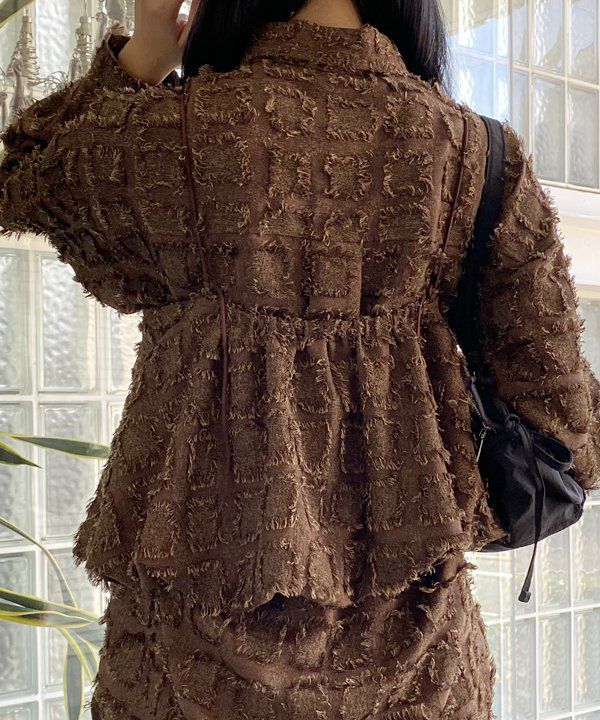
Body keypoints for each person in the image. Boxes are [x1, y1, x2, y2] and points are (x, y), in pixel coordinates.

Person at [1, 0, 599, 717]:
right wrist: (422, 496)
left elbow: (20, 178)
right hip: (418, 666)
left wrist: (145, 58)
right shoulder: (476, 156)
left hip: (178, 669)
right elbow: (566, 433)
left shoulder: (172, 134)